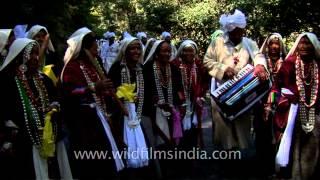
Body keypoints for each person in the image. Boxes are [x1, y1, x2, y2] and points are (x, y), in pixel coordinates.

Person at [0, 38, 72, 179]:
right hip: (24, 144)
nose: (35, 58)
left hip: (51, 139)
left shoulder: (44, 79)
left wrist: (54, 107)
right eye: (30, 53)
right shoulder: (7, 81)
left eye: (37, 53)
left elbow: (56, 100)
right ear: (20, 55)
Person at [60, 27, 124, 179]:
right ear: (85, 49)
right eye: (93, 45)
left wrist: (109, 92)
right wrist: (94, 87)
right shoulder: (72, 67)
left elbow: (104, 89)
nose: (97, 48)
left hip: (102, 119)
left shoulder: (95, 65)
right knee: (92, 163)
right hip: (85, 125)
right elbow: (70, 92)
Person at [203, 9, 268, 150]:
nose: (238, 34)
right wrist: (224, 69)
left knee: (241, 123)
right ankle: (227, 154)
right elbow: (207, 61)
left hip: (243, 91)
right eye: (235, 31)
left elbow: (259, 56)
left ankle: (239, 153)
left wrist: (260, 66)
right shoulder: (217, 42)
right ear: (229, 30)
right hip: (222, 91)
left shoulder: (249, 43)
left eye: (241, 31)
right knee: (224, 125)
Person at [271, 32, 320, 179]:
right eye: (302, 43)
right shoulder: (289, 63)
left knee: (313, 144)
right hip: (291, 112)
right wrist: (276, 101)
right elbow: (275, 88)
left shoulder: (318, 64)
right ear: (297, 46)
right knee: (292, 145)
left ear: (314, 46)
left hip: (315, 112)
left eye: (308, 43)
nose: (304, 46)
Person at [108, 37, 153, 179]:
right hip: (121, 116)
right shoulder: (117, 68)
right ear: (125, 51)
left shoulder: (141, 69)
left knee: (143, 147)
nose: (136, 51)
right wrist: (122, 106)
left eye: (138, 48)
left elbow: (147, 92)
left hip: (138, 115)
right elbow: (110, 93)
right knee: (125, 148)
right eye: (132, 48)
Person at [143, 40, 184, 178]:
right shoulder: (147, 69)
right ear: (156, 53)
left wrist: (177, 104)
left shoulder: (173, 68)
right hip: (154, 113)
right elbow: (144, 92)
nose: (167, 54)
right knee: (159, 145)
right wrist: (156, 102)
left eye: (169, 51)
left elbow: (179, 90)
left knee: (172, 144)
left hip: (172, 111)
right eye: (163, 51)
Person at [171, 40, 209, 177]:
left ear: (195, 52)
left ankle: (191, 162)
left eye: (191, 50)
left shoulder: (199, 66)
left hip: (194, 105)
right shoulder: (174, 65)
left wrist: (201, 95)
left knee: (193, 133)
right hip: (179, 106)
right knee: (179, 134)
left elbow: (205, 82)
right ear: (180, 51)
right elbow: (172, 85)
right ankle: (180, 162)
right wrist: (179, 99)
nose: (188, 53)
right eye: (185, 50)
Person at [254, 32, 287, 177]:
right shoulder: (259, 62)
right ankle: (263, 167)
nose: (274, 46)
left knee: (280, 136)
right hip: (261, 104)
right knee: (263, 136)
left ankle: (279, 167)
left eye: (277, 43)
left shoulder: (286, 62)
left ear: (280, 46)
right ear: (267, 46)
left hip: (281, 105)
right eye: (271, 43)